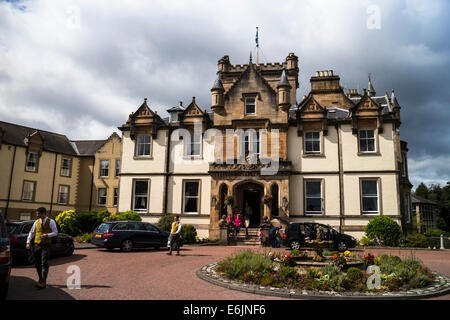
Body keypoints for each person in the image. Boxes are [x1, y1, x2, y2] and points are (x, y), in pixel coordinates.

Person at [26, 207, 58, 289]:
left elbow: (55, 232)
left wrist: (47, 235)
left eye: (38, 213)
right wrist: (28, 242)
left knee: (44, 262)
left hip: (46, 245)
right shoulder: (36, 222)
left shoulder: (51, 221)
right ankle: (40, 279)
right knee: (37, 263)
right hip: (37, 244)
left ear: (43, 213)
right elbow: (32, 232)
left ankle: (43, 282)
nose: (37, 215)